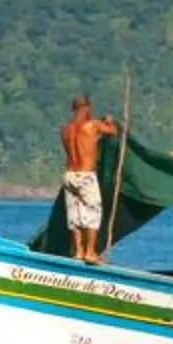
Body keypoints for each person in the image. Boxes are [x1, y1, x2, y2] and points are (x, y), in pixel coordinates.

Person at [59, 95, 122, 263]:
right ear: (86, 108)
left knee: (75, 215)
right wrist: (108, 121)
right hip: (86, 175)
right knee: (93, 213)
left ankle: (78, 251)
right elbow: (113, 131)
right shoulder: (92, 125)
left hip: (69, 175)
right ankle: (90, 252)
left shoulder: (65, 129)